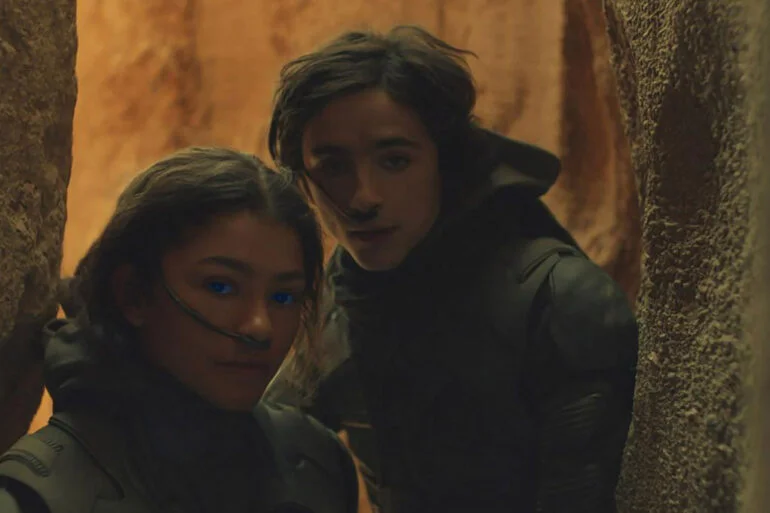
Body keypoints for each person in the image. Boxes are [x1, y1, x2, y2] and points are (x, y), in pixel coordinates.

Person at [264, 25, 639, 513]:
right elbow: (262, 450)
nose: (363, 198)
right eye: (333, 167)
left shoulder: (557, 302)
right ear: (304, 184)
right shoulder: (337, 299)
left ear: (445, 162)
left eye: (395, 161)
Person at [0, 148, 359, 513]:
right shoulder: (36, 497)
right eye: (221, 286)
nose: (260, 327)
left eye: (284, 296)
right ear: (134, 294)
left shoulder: (317, 467)